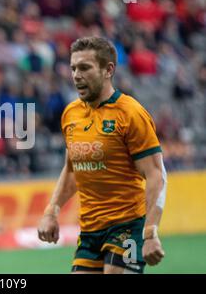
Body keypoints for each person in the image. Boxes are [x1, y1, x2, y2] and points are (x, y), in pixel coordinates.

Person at [37, 36, 167, 274]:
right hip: (90, 230)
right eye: (73, 68)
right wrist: (51, 211)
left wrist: (150, 233)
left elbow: (156, 175)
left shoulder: (130, 114)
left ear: (108, 70)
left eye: (85, 68)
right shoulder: (71, 114)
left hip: (128, 226)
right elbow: (72, 169)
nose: (76, 75)